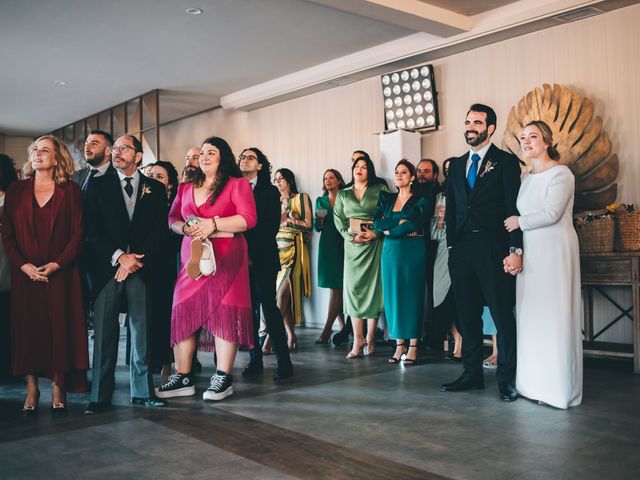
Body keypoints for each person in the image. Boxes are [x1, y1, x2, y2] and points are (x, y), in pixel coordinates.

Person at [156, 136, 256, 401]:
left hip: (227, 260)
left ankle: (223, 376)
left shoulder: (237, 184)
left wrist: (213, 223)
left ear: (223, 157)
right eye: (202, 154)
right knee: (183, 309)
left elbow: (248, 219)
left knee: (225, 314)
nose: (205, 157)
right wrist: (184, 228)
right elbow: (173, 219)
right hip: (193, 261)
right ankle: (183, 376)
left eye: (211, 152)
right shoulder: (185, 187)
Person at [441, 103, 522, 402]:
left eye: (477, 122)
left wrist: (514, 248)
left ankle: (506, 379)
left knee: (502, 315)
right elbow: (452, 210)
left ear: (490, 129)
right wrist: (451, 246)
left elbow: (514, 208)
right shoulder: (458, 164)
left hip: (494, 248)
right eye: (467, 122)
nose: (470, 127)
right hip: (462, 249)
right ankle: (471, 374)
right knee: (467, 314)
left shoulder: (506, 162)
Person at [2, 136, 88, 414]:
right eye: (35, 150)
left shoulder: (71, 190)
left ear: (57, 158)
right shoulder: (16, 190)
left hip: (61, 273)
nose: (38, 154)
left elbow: (78, 234)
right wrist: (23, 265)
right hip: (25, 274)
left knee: (60, 329)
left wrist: (58, 264)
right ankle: (31, 388)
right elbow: (8, 235)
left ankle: (58, 386)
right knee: (27, 330)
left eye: (45, 150)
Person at [84, 135, 169, 413]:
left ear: (139, 156)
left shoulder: (155, 188)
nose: (117, 152)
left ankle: (143, 392)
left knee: (141, 333)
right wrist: (120, 257)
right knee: (105, 335)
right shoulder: (96, 185)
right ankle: (99, 396)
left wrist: (135, 260)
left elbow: (159, 230)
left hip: (141, 270)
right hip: (108, 269)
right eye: (116, 148)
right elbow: (92, 230)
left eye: (124, 148)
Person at [504, 120, 582, 409]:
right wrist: (517, 251)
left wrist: (518, 222)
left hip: (555, 248)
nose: (526, 142)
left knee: (556, 315)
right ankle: (531, 384)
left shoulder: (561, 174)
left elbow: (552, 212)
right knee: (531, 315)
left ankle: (559, 390)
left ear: (547, 142)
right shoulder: (526, 177)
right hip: (532, 253)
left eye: (533, 137)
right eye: (523, 137)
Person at [238, 147, 293, 380]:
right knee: (248, 312)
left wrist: (251, 252)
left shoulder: (270, 192)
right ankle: (254, 359)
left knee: (269, 309)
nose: (245, 160)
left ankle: (284, 361)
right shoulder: (234, 188)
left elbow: (270, 227)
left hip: (263, 257)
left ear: (260, 165)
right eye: (242, 157)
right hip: (238, 259)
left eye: (251, 157)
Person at [374, 160, 428, 365]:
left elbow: (416, 223)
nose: (399, 175)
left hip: (413, 250)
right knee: (393, 295)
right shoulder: (386, 198)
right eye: (397, 172)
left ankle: (413, 345)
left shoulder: (421, 199)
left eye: (404, 172)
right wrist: (400, 224)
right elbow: (377, 222)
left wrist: (391, 229)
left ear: (412, 177)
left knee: (412, 295)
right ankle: (399, 344)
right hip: (390, 252)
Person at [333, 156, 388, 358]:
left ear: (370, 171)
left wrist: (376, 233)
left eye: (364, 167)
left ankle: (371, 336)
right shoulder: (343, 194)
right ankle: (358, 339)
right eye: (357, 166)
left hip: (374, 244)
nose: (360, 169)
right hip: (353, 246)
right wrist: (350, 237)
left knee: (373, 288)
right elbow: (338, 220)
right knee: (353, 290)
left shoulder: (380, 190)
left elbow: (386, 215)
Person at [145, 161, 181, 383]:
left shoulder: (174, 205)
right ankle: (148, 362)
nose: (152, 179)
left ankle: (168, 364)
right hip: (146, 265)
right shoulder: (141, 202)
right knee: (148, 318)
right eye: (149, 175)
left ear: (170, 184)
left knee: (166, 317)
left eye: (159, 176)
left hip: (170, 265)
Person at [272, 168, 312, 352]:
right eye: (275, 179)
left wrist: (287, 220)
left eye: (281, 178)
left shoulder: (300, 198)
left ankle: (270, 339)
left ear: (289, 180)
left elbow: (308, 224)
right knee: (282, 295)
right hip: (275, 251)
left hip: (294, 249)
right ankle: (290, 335)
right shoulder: (273, 201)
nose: (278, 181)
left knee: (282, 295)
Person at [431, 158, 462, 361]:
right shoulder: (440, 196)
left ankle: (461, 341)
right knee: (440, 295)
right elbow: (436, 230)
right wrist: (440, 219)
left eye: (454, 169)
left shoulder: (466, 191)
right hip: (443, 248)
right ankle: (454, 334)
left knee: (462, 296)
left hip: (463, 245)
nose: (450, 172)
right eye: (447, 170)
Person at [314, 169, 346, 344]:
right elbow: (318, 227)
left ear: (339, 180)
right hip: (327, 245)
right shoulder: (321, 200)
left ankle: (327, 330)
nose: (328, 180)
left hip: (344, 244)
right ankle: (341, 327)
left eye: (331, 177)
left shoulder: (345, 197)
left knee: (338, 288)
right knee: (335, 288)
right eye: (325, 178)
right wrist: (319, 220)